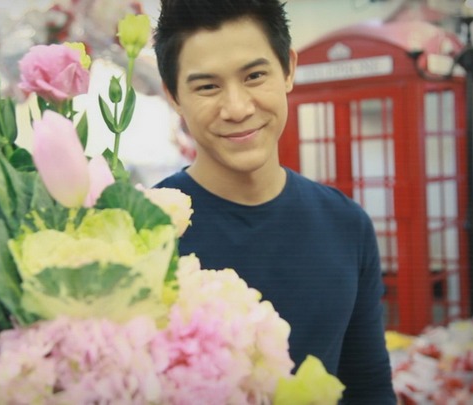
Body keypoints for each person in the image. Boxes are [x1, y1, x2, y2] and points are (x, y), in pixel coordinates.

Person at [152, 0, 396, 402]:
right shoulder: (144, 231)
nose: (237, 108)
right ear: (174, 96)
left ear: (288, 70)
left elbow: (368, 387)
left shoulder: (346, 224)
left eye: (254, 76)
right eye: (208, 86)